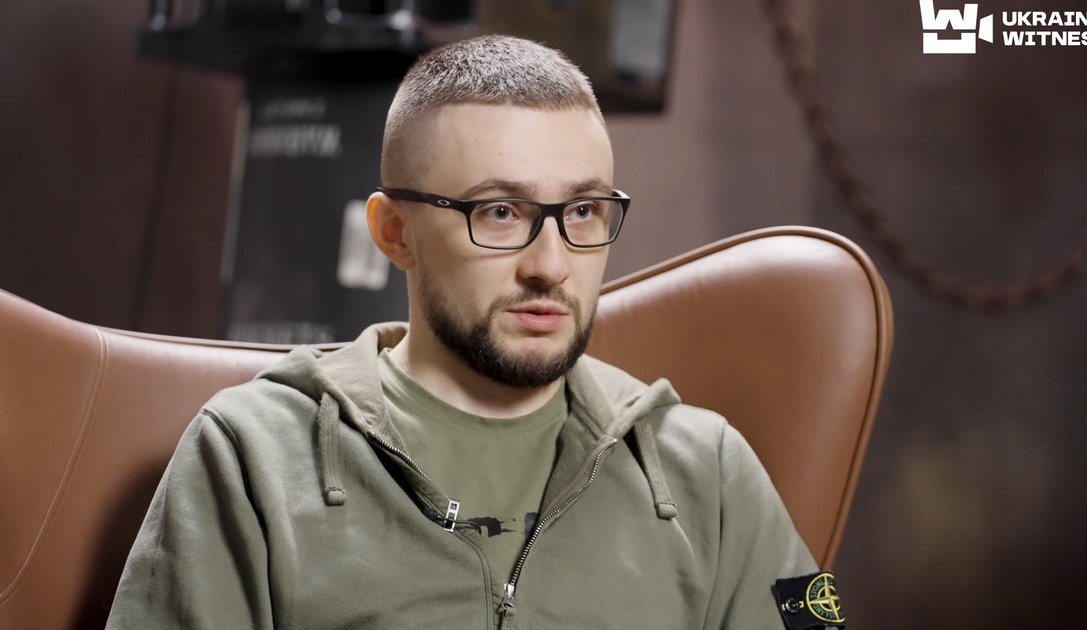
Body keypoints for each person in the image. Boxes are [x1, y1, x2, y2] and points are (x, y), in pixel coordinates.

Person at [106, 35, 844, 630]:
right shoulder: (252, 454)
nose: (550, 266)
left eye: (583, 211)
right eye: (499, 213)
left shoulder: (709, 468)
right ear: (395, 232)